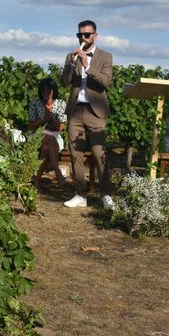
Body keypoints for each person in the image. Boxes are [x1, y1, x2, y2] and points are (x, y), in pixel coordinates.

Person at [61, 20, 114, 209]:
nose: (83, 38)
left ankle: (107, 194)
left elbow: (105, 82)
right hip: (76, 110)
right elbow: (65, 82)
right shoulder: (70, 55)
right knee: (76, 155)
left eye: (86, 35)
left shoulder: (105, 57)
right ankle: (80, 194)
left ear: (95, 35)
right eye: (79, 35)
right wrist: (70, 65)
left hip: (96, 111)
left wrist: (87, 66)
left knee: (99, 154)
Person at [28, 77, 67, 191]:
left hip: (55, 136)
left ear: (53, 90)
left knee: (45, 148)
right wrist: (43, 120)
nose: (45, 92)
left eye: (48, 89)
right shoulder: (35, 104)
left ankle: (36, 182)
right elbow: (31, 126)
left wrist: (50, 119)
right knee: (48, 137)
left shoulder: (60, 104)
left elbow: (61, 127)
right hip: (37, 135)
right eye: (43, 89)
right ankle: (58, 173)